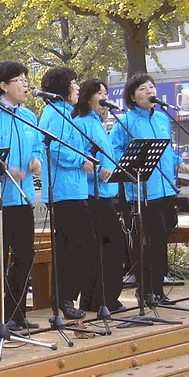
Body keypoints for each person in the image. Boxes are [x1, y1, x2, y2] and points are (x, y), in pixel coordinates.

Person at [110, 73, 189, 304]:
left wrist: (177, 161)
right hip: (142, 192)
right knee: (151, 239)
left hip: (167, 189)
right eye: (143, 88)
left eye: (151, 87)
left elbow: (166, 149)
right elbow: (114, 150)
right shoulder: (125, 121)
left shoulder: (162, 118)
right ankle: (145, 291)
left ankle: (158, 290)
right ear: (132, 96)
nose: (149, 91)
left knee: (161, 239)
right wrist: (129, 164)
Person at [0, 62, 43, 330]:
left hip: (23, 198)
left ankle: (17, 312)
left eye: (26, 79)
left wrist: (36, 161)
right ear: (4, 86)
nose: (26, 84)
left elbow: (38, 146)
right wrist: (4, 169)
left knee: (25, 256)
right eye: (19, 79)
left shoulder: (29, 117)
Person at [38, 67, 97, 319]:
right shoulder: (55, 114)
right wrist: (81, 160)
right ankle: (64, 298)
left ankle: (65, 298)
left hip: (74, 189)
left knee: (77, 246)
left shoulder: (65, 113)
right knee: (76, 247)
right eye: (73, 83)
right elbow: (56, 149)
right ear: (62, 87)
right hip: (63, 191)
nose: (78, 88)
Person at [71, 79, 126, 312]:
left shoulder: (99, 123)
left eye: (106, 93)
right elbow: (80, 158)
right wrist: (98, 172)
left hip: (105, 193)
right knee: (107, 247)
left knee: (110, 247)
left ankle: (101, 298)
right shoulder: (81, 123)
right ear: (87, 96)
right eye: (100, 93)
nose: (105, 97)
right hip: (91, 194)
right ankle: (100, 299)